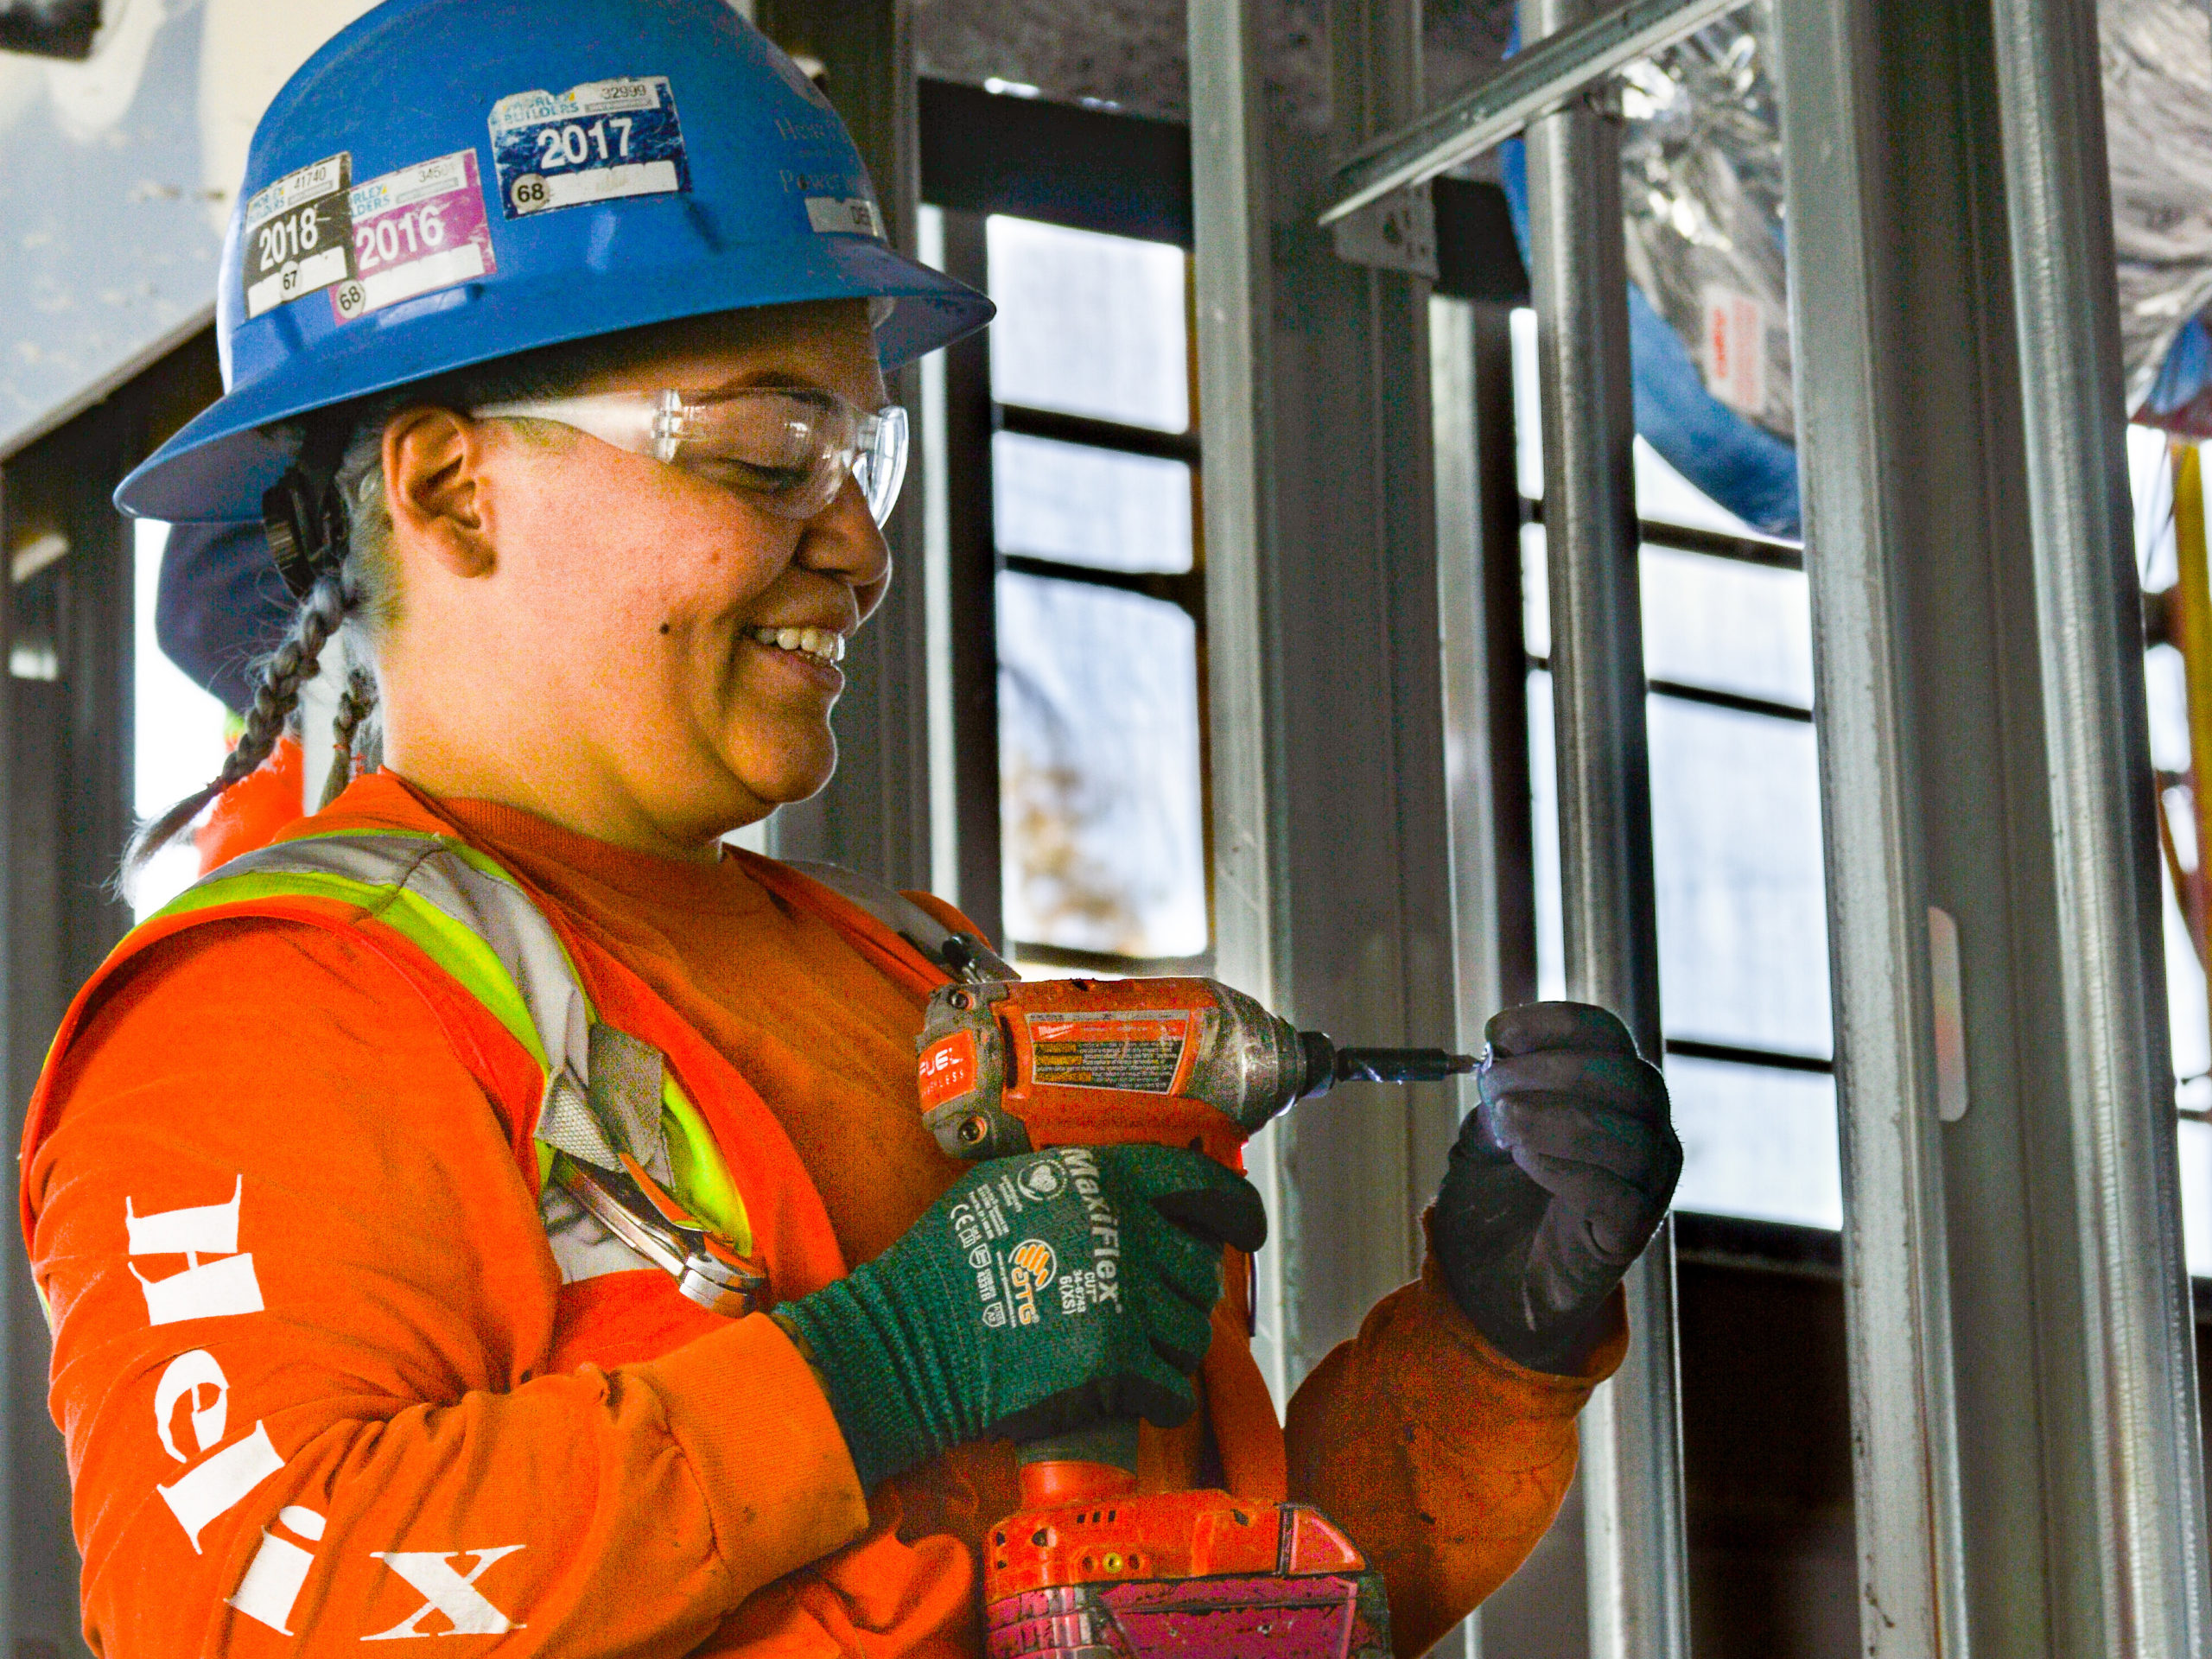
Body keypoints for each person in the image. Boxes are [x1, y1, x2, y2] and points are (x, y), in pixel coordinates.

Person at [16, 0, 1684, 1653]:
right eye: (762, 455)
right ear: (454, 490)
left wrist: (1483, 1345)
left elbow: (1189, 1606)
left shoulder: (916, 979)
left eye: (859, 459)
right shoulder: (269, 1016)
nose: (857, 550)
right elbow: (242, 1611)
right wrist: (872, 1373)